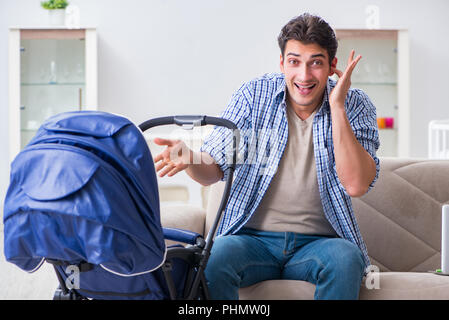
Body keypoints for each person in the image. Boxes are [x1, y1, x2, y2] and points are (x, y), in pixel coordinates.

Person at [153, 13, 380, 300]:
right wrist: (190, 159)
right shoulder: (254, 96)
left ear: (332, 65)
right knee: (215, 257)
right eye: (294, 61)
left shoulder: (355, 103)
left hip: (321, 244)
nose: (304, 75)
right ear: (282, 63)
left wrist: (337, 108)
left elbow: (356, 185)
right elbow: (214, 169)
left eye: (316, 63)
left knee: (347, 259)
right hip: (252, 240)